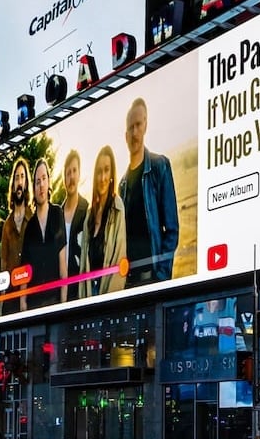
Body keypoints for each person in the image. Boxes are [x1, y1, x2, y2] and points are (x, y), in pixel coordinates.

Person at [119, 97, 179, 287]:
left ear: (146, 125)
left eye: (138, 125)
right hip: (128, 283)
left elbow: (172, 229)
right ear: (125, 135)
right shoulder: (122, 184)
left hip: (152, 279)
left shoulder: (159, 166)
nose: (135, 132)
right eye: (131, 127)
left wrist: (160, 277)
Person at [80, 145, 127, 298]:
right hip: (89, 295)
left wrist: (109, 303)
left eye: (106, 170)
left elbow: (119, 260)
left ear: (112, 173)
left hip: (109, 295)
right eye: (99, 171)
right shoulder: (89, 215)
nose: (102, 177)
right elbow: (83, 268)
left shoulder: (117, 208)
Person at [21, 158, 67, 310]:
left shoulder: (57, 214)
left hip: (54, 301)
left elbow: (63, 267)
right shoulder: (29, 228)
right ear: (33, 188)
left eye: (44, 179)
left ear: (49, 182)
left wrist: (64, 305)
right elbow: (24, 275)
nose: (41, 185)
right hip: (34, 305)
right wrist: (23, 306)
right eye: (37, 181)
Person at [0, 157, 31, 314]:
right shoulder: (7, 225)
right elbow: (3, 262)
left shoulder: (34, 218)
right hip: (11, 295)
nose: (19, 181)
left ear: (26, 183)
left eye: (22, 177)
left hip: (31, 292)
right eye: (17, 177)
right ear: (13, 185)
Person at [62, 150, 88, 300]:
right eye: (68, 173)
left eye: (74, 171)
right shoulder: (56, 215)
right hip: (59, 290)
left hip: (79, 289)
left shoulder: (87, 210)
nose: (71, 177)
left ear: (79, 174)